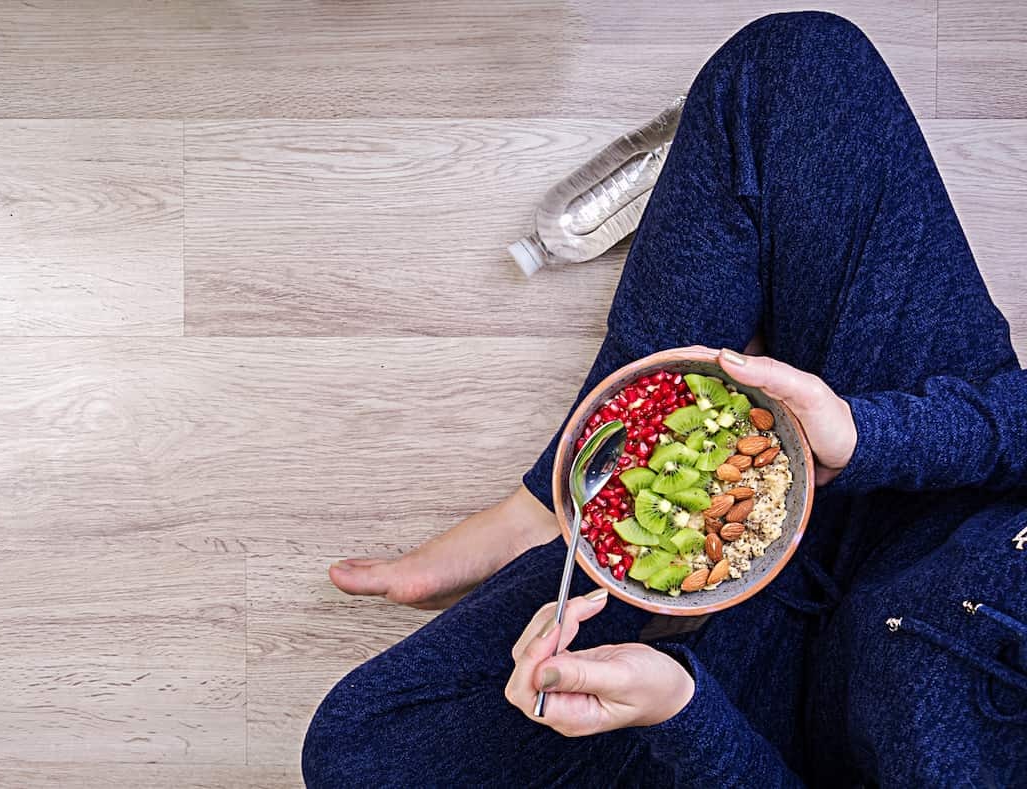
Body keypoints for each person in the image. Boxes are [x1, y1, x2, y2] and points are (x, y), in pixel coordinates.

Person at [303, 11, 1027, 787]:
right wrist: (868, 435)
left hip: (790, 727)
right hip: (948, 485)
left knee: (358, 755)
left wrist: (682, 712)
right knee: (793, 67)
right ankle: (550, 509)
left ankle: (594, 544)